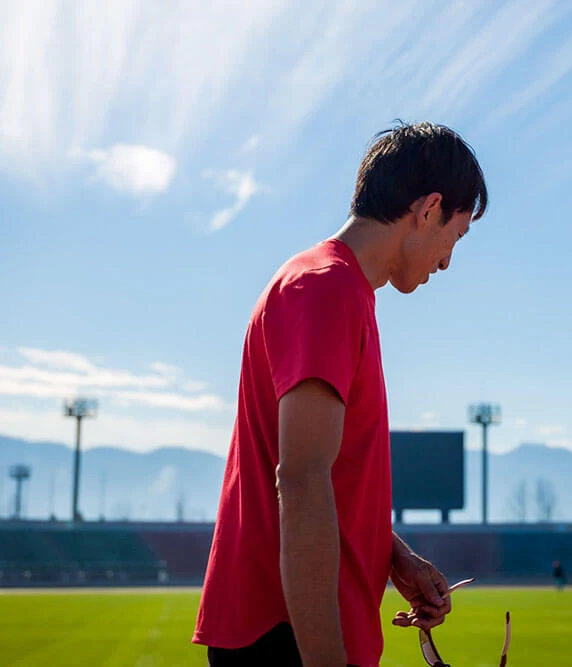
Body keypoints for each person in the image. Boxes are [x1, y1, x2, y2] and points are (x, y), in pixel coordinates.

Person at [192, 122, 488, 667]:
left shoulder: (337, 289)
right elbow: (302, 481)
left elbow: (321, 474)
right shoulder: (325, 289)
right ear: (429, 210)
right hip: (286, 635)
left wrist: (391, 554)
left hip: (293, 631)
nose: (447, 260)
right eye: (457, 235)